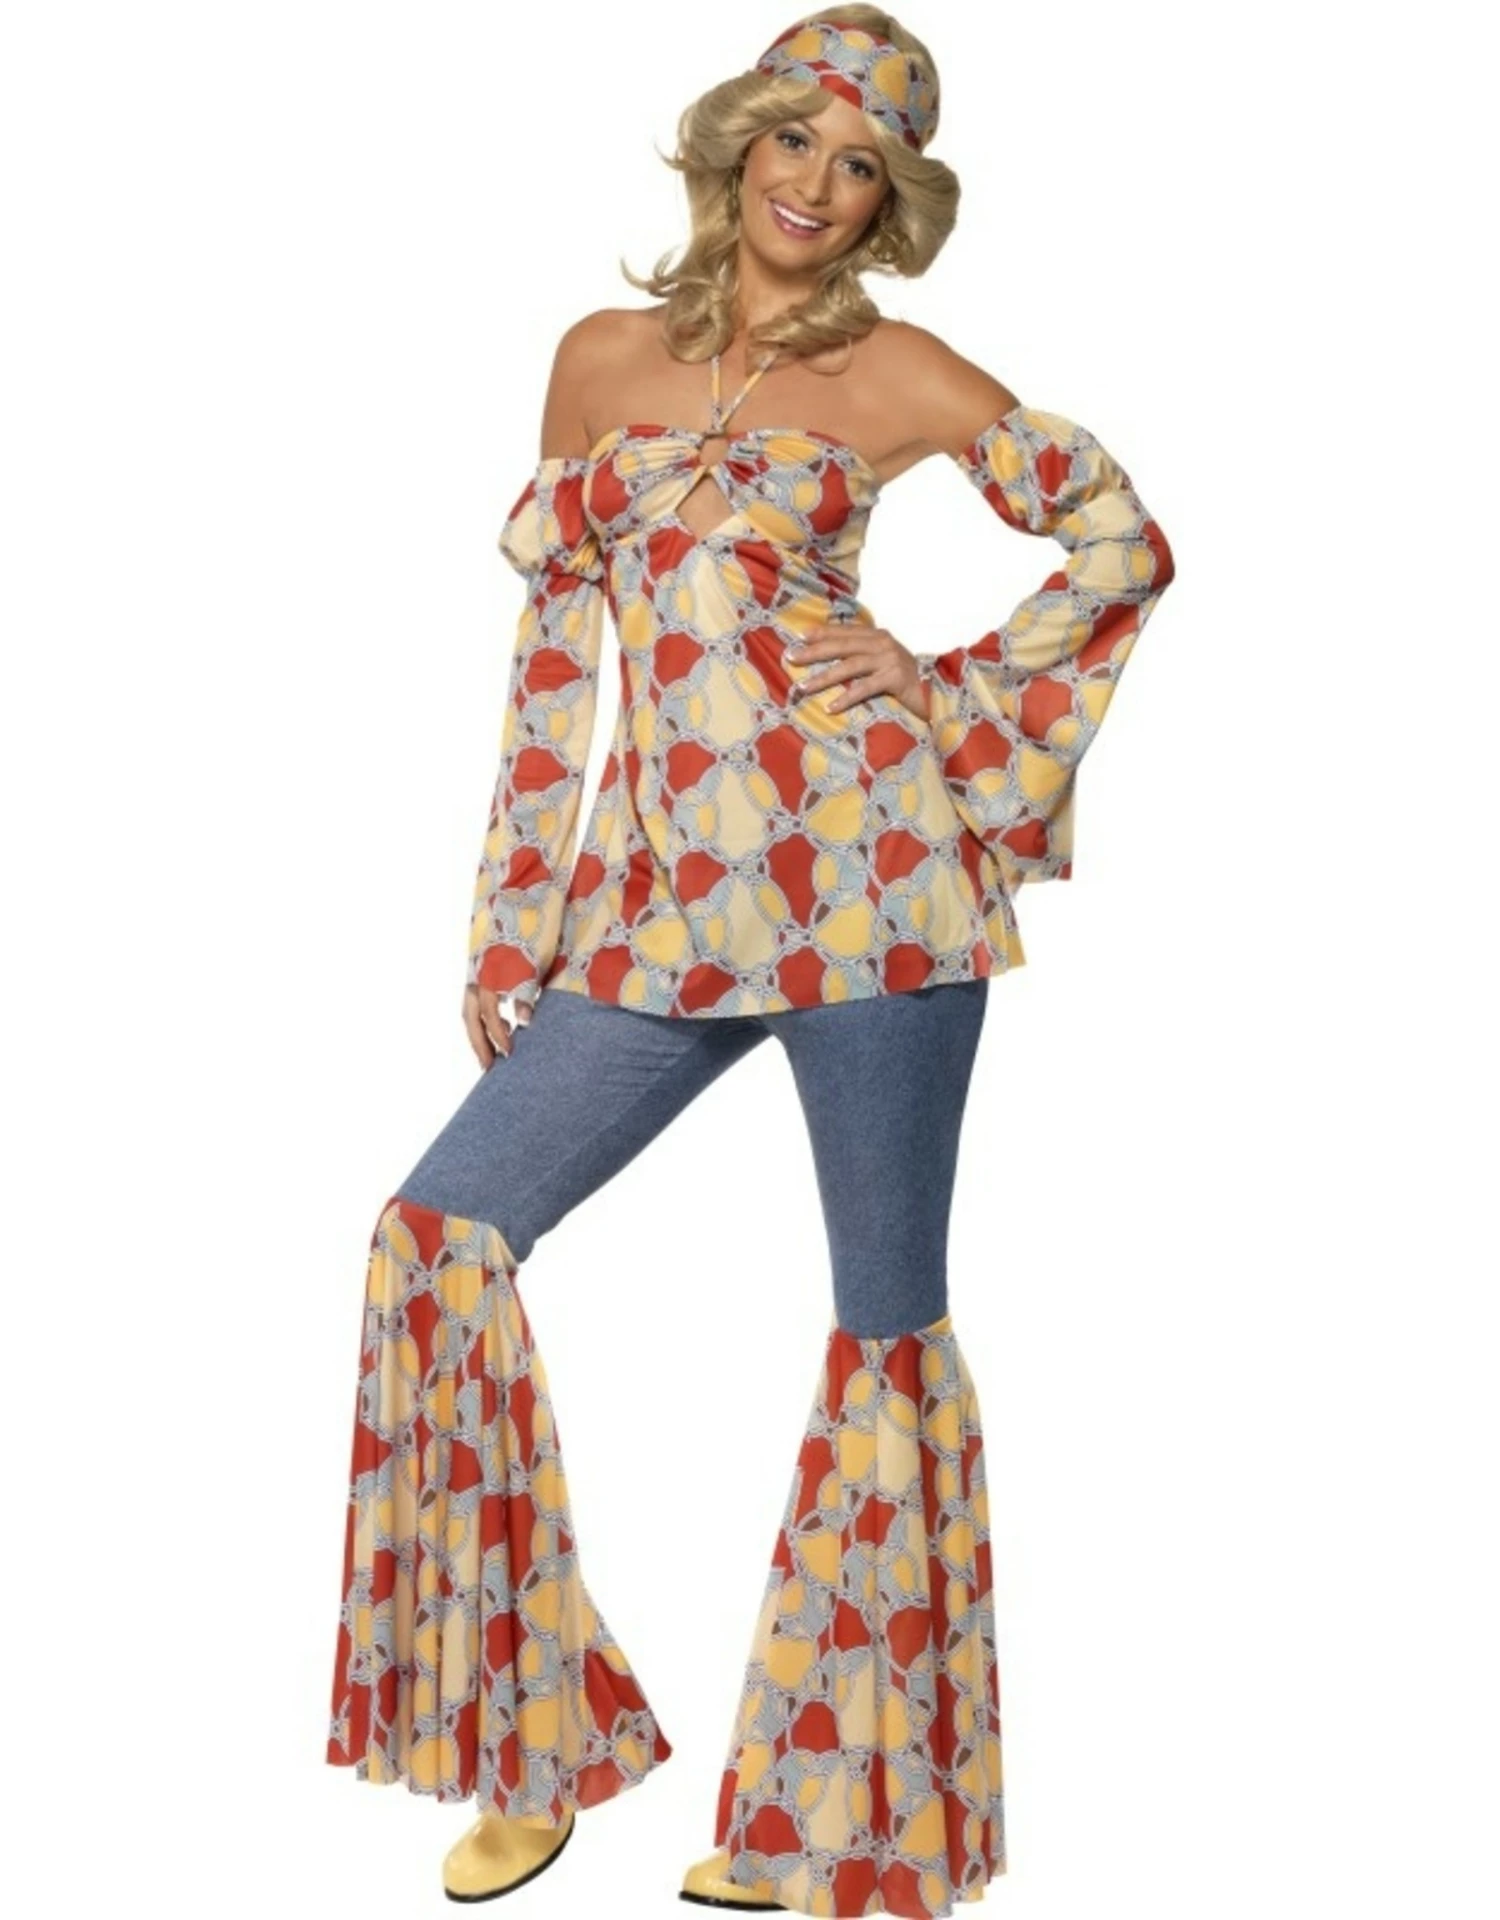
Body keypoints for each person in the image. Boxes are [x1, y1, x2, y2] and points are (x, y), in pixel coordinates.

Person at [323, 9, 1176, 1916]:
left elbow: (1122, 542)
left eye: (860, 164)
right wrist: (515, 914)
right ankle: (529, 1742)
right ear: (736, 146)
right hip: (656, 910)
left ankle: (843, 1823)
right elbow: (562, 660)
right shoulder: (598, 359)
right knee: (434, 1244)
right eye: (795, 141)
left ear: (890, 204)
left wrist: (943, 685)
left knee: (882, 1326)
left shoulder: (898, 372)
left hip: (878, 899)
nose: (816, 184)